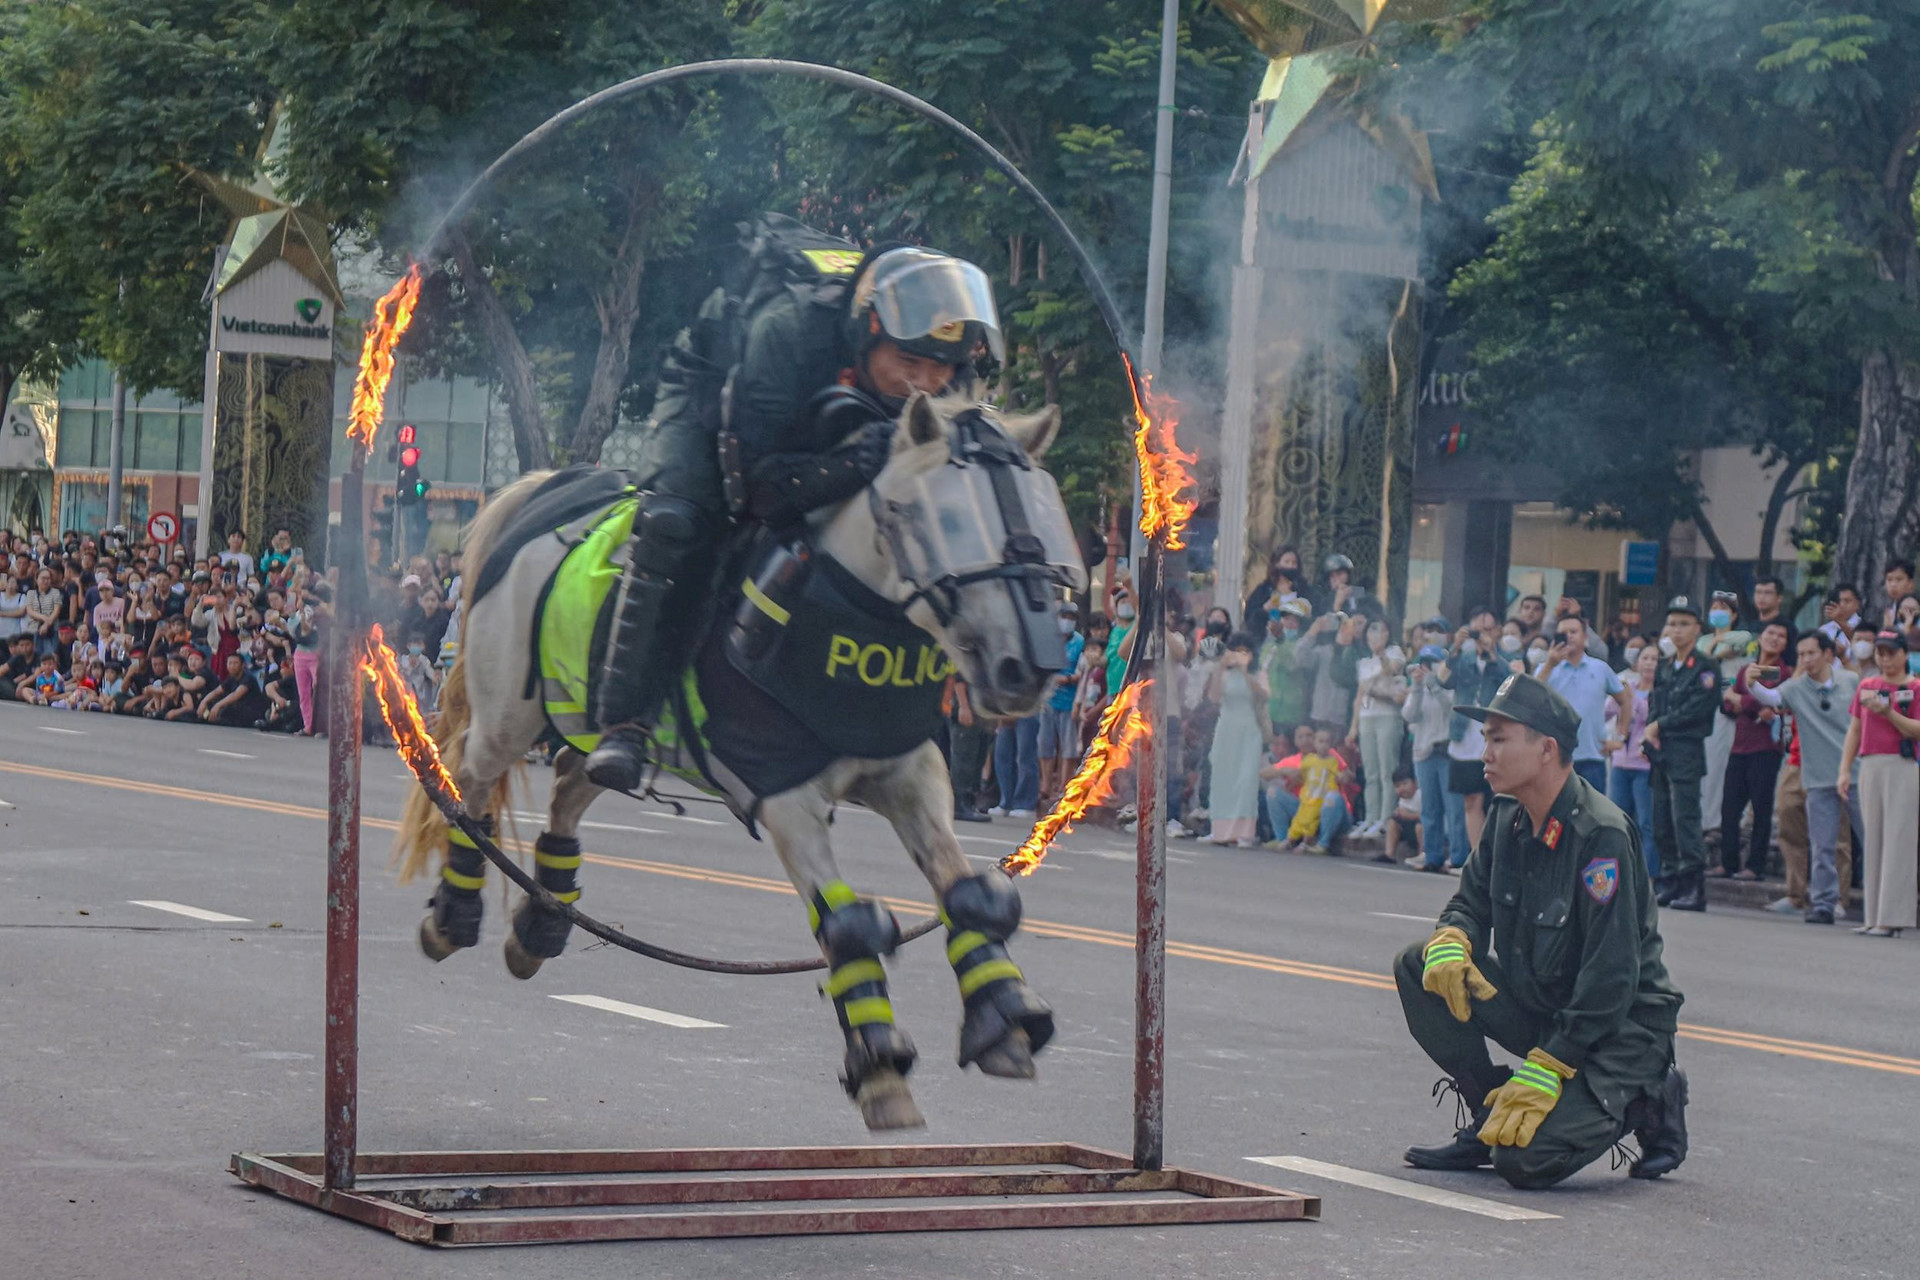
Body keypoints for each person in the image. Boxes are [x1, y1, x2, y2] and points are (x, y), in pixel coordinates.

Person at [586, 237, 1007, 792]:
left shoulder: (950, 385)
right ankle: (625, 721)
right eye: (908, 362)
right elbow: (758, 492)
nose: (925, 384)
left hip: (835, 439)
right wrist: (857, 462)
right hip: (717, 395)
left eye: (941, 368)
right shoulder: (787, 335)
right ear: (868, 332)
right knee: (676, 522)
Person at [1395, 675, 1688, 1188]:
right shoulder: (1507, 816)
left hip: (1618, 1032)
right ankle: (1490, 1112)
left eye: (1499, 739)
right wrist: (1454, 938)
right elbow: (1469, 902)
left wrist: (1552, 1064)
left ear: (1546, 748)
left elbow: (1612, 976)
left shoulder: (1600, 835)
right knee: (1420, 962)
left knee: (1524, 1163)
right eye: (1485, 738)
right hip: (1550, 1006)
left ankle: (1647, 1098)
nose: (1484, 752)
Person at [1745, 632, 1860, 924]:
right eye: (1801, 655)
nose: (1806, 660)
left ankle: (1882, 904)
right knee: (1822, 845)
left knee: (1867, 839)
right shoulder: (1796, 687)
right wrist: (1751, 683)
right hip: (1817, 775)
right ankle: (1823, 903)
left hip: (1856, 773)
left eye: (1811, 653)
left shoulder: (1850, 680)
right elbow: (1771, 698)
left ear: (1827, 654)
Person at [1834, 632, 1918, 937]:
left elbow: (1917, 730)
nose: (1884, 659)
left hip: (1903, 765)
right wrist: (1844, 770)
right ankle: (1873, 915)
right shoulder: (1868, 686)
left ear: (1903, 654)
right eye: (1880, 653)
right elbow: (1854, 730)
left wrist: (1890, 713)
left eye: (1890, 653)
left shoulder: (1915, 687)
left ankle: (1892, 917)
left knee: (1899, 841)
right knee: (1874, 841)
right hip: (1870, 764)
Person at [1643, 597, 1720, 912]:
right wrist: (1652, 729)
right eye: (1672, 623)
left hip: (1686, 749)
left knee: (1685, 818)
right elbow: (1655, 703)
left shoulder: (1705, 667)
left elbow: (1699, 707)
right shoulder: (1664, 666)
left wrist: (1660, 725)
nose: (1676, 630)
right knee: (1661, 819)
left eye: (1684, 624)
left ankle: (1693, 885)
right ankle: (1671, 879)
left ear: (1698, 629)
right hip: (1661, 750)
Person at [1711, 621, 1789, 881]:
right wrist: (1749, 704)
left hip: (1767, 748)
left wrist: (1741, 701)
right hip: (1740, 746)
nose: (1774, 638)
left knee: (1761, 809)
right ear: (1760, 637)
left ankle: (1755, 866)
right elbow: (1727, 703)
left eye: (1780, 635)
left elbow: (1773, 707)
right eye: (1770, 633)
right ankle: (1728, 862)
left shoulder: (1784, 673)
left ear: (1786, 643)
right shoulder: (1746, 669)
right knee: (1730, 808)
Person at [1439, 609, 1508, 864]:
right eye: (1478, 629)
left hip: (1493, 737)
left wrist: (1492, 653)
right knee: (1471, 799)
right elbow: (1443, 680)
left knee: (1497, 799)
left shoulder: (1504, 658)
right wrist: (1455, 647)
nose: (1483, 635)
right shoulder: (1463, 658)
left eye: (1488, 629)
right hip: (1464, 737)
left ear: (1498, 631)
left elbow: (1509, 682)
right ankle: (1478, 859)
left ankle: (1497, 857)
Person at [1540, 615, 1632, 791]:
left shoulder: (1600, 668)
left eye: (1573, 632)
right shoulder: (1547, 668)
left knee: (1591, 815)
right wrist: (1550, 664)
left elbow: (1625, 701)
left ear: (1585, 637)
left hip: (1593, 756)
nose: (1569, 636)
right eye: (1563, 633)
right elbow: (1531, 697)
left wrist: (1620, 737)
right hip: (1556, 757)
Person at [1203, 632, 1269, 847]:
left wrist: (1245, 671)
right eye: (1236, 650)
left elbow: (1264, 695)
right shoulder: (1222, 673)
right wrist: (1221, 666)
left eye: (1245, 651)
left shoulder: (1258, 673)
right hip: (1226, 729)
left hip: (1249, 729)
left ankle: (1245, 833)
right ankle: (1219, 831)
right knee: (1223, 779)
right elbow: (1214, 697)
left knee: (1246, 780)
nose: (1240, 655)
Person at [1603, 644, 1661, 881]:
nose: (1649, 663)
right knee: (1617, 822)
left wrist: (1632, 701)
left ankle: (1646, 878)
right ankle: (1616, 875)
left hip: (1645, 765)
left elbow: (1649, 717)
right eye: (1645, 658)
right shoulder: (1628, 687)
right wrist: (1621, 698)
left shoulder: (1661, 691)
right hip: (1621, 763)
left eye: (1654, 658)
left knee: (1646, 823)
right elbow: (1607, 712)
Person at [1697, 590, 1752, 836]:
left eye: (1724, 608)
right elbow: (1701, 661)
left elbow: (1736, 645)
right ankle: (1707, 821)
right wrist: (1714, 647)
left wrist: (1717, 646)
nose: (1717, 612)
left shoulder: (1743, 638)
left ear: (1734, 615)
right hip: (1707, 712)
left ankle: (1729, 822)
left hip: (1734, 713)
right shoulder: (1701, 640)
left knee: (1730, 769)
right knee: (1709, 768)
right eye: (1714, 607)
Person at [1348, 618, 1407, 835]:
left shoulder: (1395, 652)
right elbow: (1360, 695)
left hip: (1388, 717)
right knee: (1371, 772)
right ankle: (1370, 817)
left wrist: (1382, 655)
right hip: (1367, 717)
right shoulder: (1363, 663)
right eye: (1371, 631)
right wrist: (1353, 727)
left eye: (1380, 631)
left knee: (1387, 770)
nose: (1374, 635)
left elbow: (1391, 670)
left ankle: (1386, 819)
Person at [1402, 646, 1455, 872]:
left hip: (1445, 751)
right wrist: (1416, 686)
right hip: (1423, 752)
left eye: (1433, 662)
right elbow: (1409, 716)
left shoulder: (1451, 686)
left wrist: (1435, 685)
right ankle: (1431, 855)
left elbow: (1451, 711)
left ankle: (1457, 855)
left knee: (1453, 808)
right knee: (1429, 809)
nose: (1427, 668)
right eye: (1424, 663)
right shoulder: (1418, 689)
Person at [1038, 602, 1084, 811]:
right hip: (1048, 701)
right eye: (1064, 616)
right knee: (1045, 745)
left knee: (1067, 746)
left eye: (1071, 617)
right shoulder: (1049, 640)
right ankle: (1046, 785)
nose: (1067, 620)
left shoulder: (1080, 642)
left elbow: (1082, 672)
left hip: (1069, 702)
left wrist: (1067, 679)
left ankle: (1064, 787)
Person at [1382, 768, 1423, 867]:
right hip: (1408, 828)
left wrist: (1409, 816)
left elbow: (1426, 816)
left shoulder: (1420, 795)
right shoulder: (1403, 799)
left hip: (1420, 826)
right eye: (1397, 786)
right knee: (1392, 822)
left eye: (1405, 784)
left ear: (1415, 783)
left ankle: (1422, 853)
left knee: (1420, 827)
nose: (1401, 789)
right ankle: (1389, 853)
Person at [1881, 559, 1915, 630]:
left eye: (1899, 579)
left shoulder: (1915, 608)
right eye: (1889, 579)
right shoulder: (1888, 610)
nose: (1893, 585)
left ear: (1910, 583)